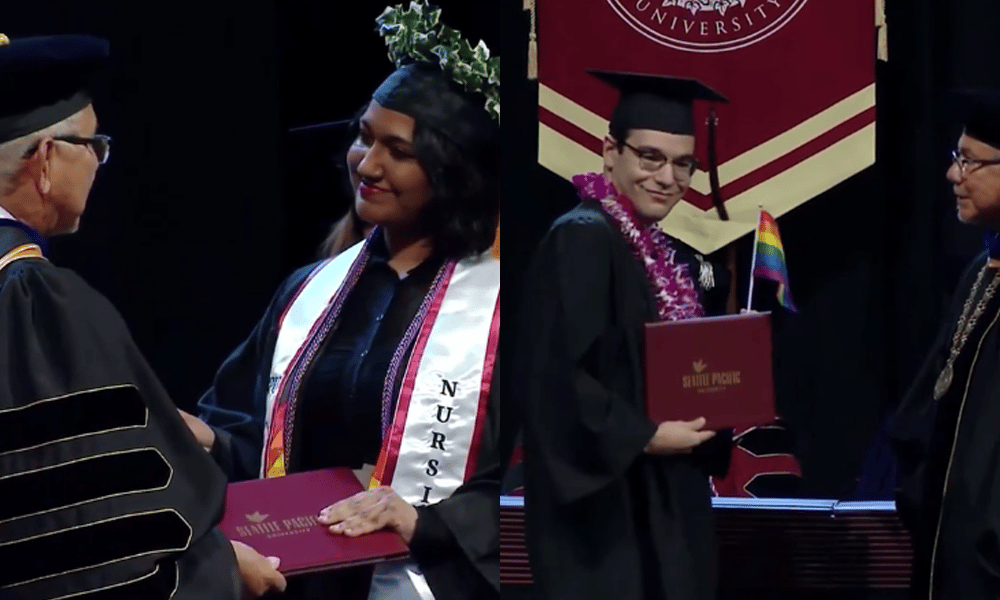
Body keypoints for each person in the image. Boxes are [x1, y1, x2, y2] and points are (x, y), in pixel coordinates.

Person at [180, 3, 503, 599]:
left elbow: (538, 475)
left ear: (453, 173)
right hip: (304, 582)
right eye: (364, 137)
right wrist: (205, 438)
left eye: (398, 151)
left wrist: (426, 521)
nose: (367, 164)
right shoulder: (309, 291)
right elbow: (253, 437)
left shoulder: (504, 311)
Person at [0, 34, 285, 599]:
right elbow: (86, 531)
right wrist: (220, 569)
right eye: (93, 145)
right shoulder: (31, 298)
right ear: (46, 159)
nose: (99, 163)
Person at [514, 71, 744, 600]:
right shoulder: (583, 238)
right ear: (609, 152)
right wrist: (644, 435)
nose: (667, 177)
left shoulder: (654, 248)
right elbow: (553, 376)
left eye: (683, 164)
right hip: (605, 515)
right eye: (650, 158)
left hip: (658, 494)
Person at [890, 89, 1000, 599]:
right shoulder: (981, 272)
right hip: (948, 551)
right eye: (957, 157)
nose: (954, 174)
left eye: (970, 161)